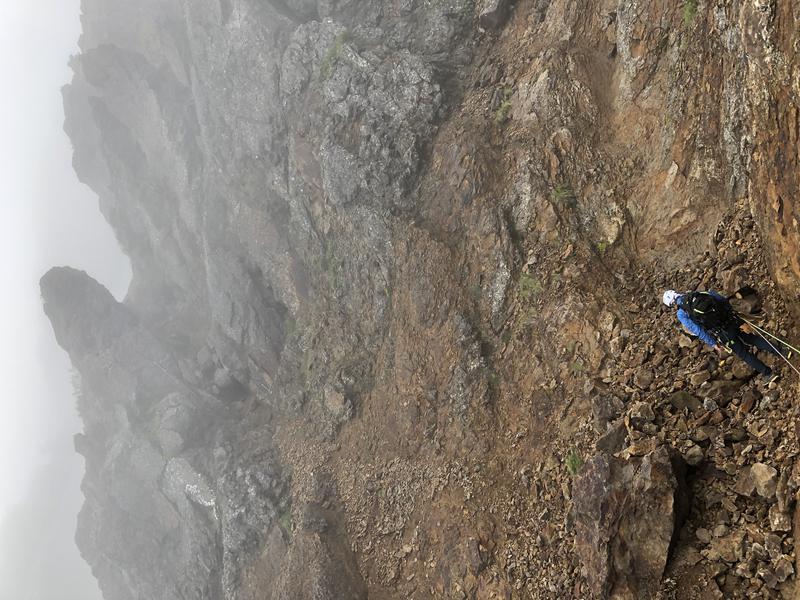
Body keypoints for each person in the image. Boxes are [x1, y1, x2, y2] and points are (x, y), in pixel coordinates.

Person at [662, 289, 785, 382]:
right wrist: (730, 312)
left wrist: (713, 343)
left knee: (743, 353)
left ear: (671, 304)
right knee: (752, 338)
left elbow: (698, 330)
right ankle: (781, 351)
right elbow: (717, 297)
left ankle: (768, 374)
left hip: (722, 332)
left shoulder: (681, 313)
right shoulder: (695, 294)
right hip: (731, 320)